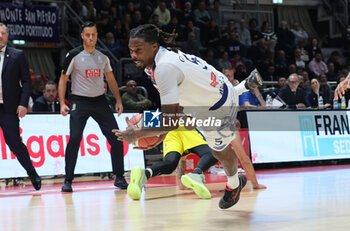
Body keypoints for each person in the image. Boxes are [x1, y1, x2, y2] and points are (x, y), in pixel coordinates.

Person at [113, 24, 263, 209]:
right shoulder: (155, 62)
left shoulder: (164, 68)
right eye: (131, 50)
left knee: (218, 151)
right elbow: (178, 105)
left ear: (153, 46)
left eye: (138, 50)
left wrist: (138, 134)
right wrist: (160, 133)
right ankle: (243, 86)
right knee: (191, 124)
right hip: (211, 92)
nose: (134, 55)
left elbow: (171, 120)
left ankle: (234, 184)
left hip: (218, 107)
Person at [58, 21, 127, 192]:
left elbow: (111, 79)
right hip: (79, 102)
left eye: (93, 35)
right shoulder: (73, 55)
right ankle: (67, 180)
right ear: (82, 36)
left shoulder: (103, 56)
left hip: (100, 101)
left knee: (117, 138)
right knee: (74, 139)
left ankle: (119, 177)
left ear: (97, 36)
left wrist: (118, 100)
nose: (90, 38)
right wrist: (61, 103)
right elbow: (63, 80)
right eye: (87, 35)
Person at [0, 22, 41, 190]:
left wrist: (23, 103)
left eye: (2, 33)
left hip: (8, 108)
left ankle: (32, 172)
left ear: (7, 36)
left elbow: (26, 81)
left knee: (15, 143)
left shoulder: (17, 55)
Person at [127, 126, 218, 200]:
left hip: (170, 133)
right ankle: (197, 173)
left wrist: (157, 141)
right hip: (186, 127)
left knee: (170, 163)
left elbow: (181, 162)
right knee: (213, 154)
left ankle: (145, 174)